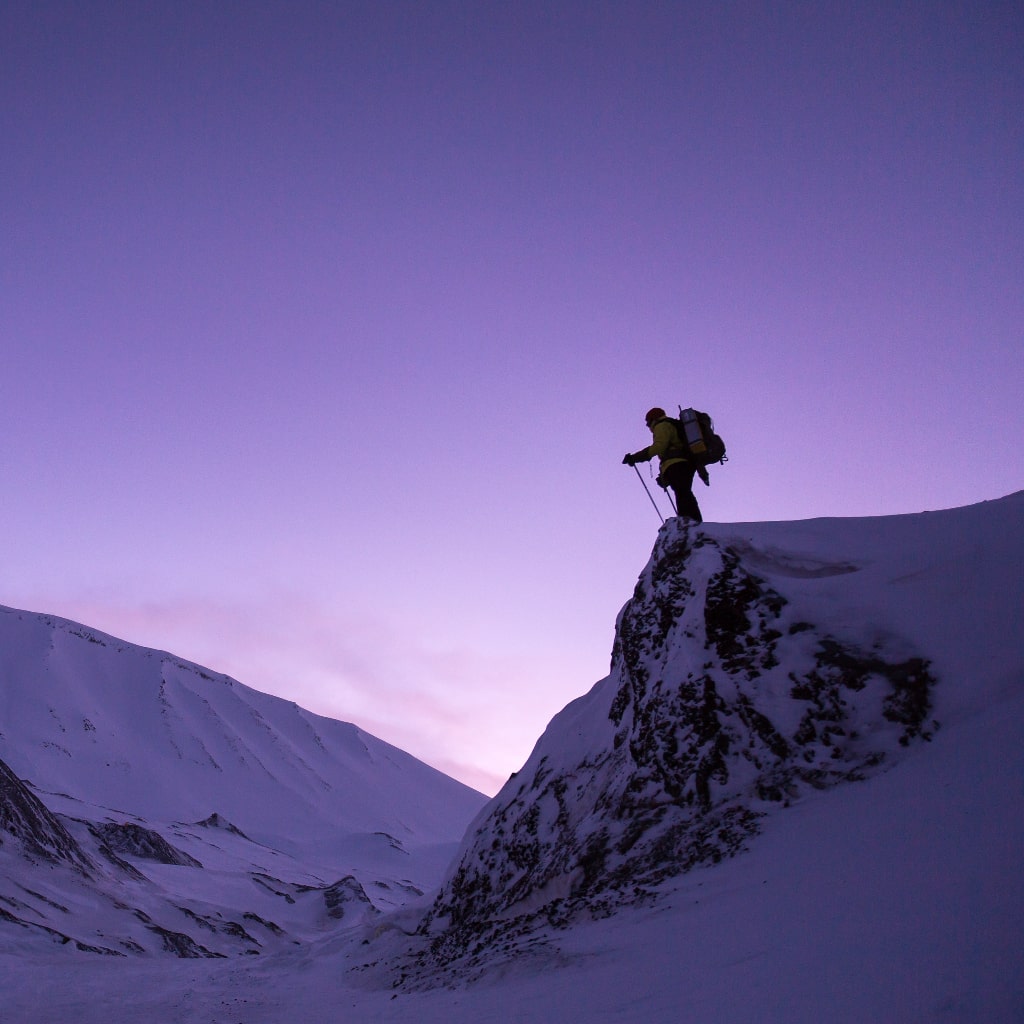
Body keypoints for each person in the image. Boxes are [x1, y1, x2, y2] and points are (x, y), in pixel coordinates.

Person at [622, 407, 704, 523]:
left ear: (653, 419)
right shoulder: (669, 424)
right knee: (683, 491)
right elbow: (666, 452)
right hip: (684, 463)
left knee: (682, 492)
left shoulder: (662, 426)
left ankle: (689, 521)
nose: (647, 425)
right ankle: (691, 520)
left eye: (648, 422)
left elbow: (659, 447)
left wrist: (636, 457)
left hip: (677, 464)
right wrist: (664, 475)